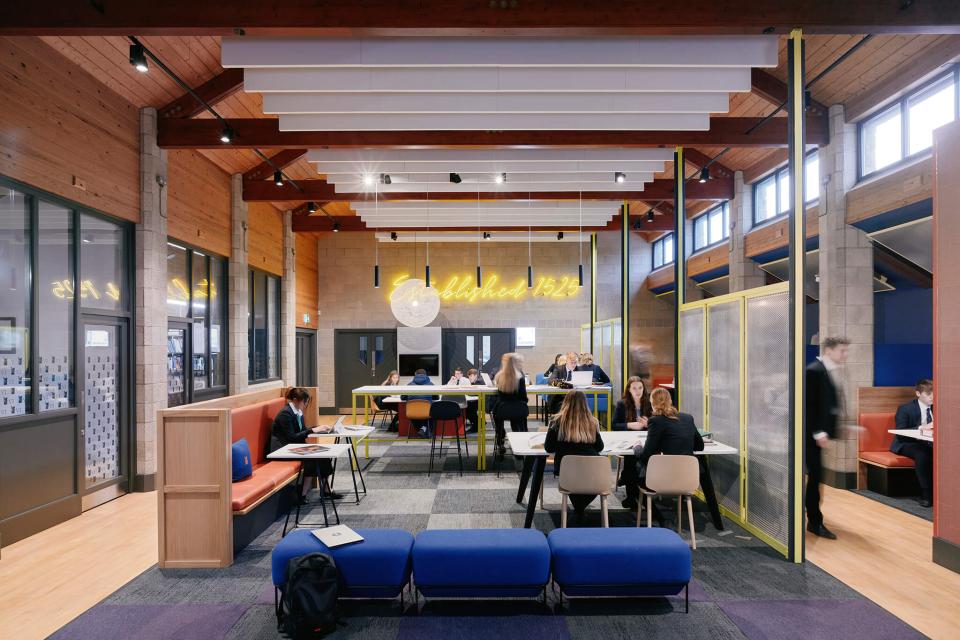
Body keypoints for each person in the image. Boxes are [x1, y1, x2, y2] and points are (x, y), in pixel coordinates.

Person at [626, 387, 704, 519]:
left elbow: (645, 456)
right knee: (631, 473)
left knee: (631, 474)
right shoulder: (687, 418)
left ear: (652, 404)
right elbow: (700, 446)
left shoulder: (655, 421)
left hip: (663, 478)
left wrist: (637, 447)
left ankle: (657, 516)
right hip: (688, 478)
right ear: (671, 401)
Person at [806, 336, 849, 540]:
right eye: (842, 350)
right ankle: (814, 521)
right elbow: (809, 405)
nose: (845, 355)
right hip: (809, 437)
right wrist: (818, 431)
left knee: (816, 478)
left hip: (816, 436)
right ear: (829, 350)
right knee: (814, 478)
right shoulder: (814, 371)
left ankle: (814, 519)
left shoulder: (827, 371)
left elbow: (828, 404)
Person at [268, 387, 343, 501]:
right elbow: (292, 437)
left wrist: (318, 428)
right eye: (304, 401)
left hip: (293, 446)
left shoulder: (297, 412)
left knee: (323, 455)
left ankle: (324, 490)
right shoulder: (285, 414)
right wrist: (312, 431)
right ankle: (303, 494)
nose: (306, 404)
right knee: (314, 458)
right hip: (282, 450)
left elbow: (302, 430)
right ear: (295, 400)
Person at [544, 390, 605, 515]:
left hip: (567, 471)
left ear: (565, 403)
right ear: (585, 404)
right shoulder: (592, 422)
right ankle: (580, 508)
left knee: (574, 483)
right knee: (591, 485)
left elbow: (549, 448)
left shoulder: (556, 421)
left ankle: (578, 508)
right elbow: (599, 447)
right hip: (592, 472)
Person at [891, 379, 935, 507]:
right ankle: (926, 494)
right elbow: (900, 431)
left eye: (934, 394)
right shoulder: (905, 409)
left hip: (930, 443)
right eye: (928, 395)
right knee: (922, 453)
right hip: (907, 443)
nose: (932, 398)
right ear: (918, 394)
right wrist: (922, 427)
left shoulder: (939, 408)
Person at [613, 376, 653, 507]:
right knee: (631, 460)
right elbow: (614, 426)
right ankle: (631, 496)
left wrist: (648, 424)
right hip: (628, 440)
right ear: (629, 390)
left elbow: (658, 424)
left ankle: (633, 484)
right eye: (634, 388)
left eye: (640, 388)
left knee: (642, 460)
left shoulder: (649, 403)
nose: (638, 391)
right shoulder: (622, 404)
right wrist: (630, 425)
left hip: (647, 440)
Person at [492, 352, 529, 459]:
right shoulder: (520, 377)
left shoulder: (499, 376)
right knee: (517, 418)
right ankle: (519, 446)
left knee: (498, 417)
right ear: (516, 363)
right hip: (518, 409)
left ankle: (500, 441)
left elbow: (499, 395)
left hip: (502, 409)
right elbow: (524, 397)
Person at [401, 368, 437, 437]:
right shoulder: (431, 385)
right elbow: (436, 397)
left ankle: (422, 430)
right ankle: (425, 430)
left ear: (415, 375)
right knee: (433, 411)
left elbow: (402, 397)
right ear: (426, 375)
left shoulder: (409, 385)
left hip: (412, 413)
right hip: (427, 412)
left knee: (418, 413)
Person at [463, 368, 482, 432]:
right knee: (467, 407)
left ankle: (476, 425)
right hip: (476, 401)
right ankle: (479, 422)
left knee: (468, 408)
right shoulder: (473, 383)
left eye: (471, 376)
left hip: (481, 402)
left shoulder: (479, 382)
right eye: (469, 376)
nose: (470, 378)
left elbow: (474, 394)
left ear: (476, 375)